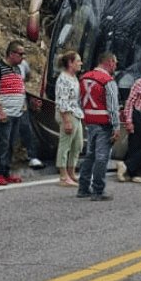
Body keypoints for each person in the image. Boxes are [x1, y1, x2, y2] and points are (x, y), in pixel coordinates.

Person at [0, 41, 33, 185]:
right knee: (3, 143)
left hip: (17, 113)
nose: (22, 57)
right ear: (11, 53)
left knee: (12, 143)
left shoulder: (18, 69)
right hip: (4, 113)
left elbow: (21, 89)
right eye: (20, 54)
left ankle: (6, 172)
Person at [77, 52, 120, 201]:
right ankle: (98, 190)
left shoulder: (83, 78)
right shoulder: (108, 81)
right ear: (109, 62)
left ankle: (83, 188)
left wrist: (83, 117)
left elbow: (79, 101)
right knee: (102, 157)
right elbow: (113, 107)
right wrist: (116, 126)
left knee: (90, 155)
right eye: (115, 63)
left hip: (90, 121)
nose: (115, 66)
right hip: (104, 123)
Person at [53, 50, 85, 187]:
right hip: (67, 113)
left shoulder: (74, 77)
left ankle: (71, 172)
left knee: (77, 145)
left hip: (76, 113)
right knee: (65, 145)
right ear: (70, 63)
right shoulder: (63, 79)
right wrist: (66, 120)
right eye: (78, 61)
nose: (80, 63)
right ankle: (63, 176)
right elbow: (62, 100)